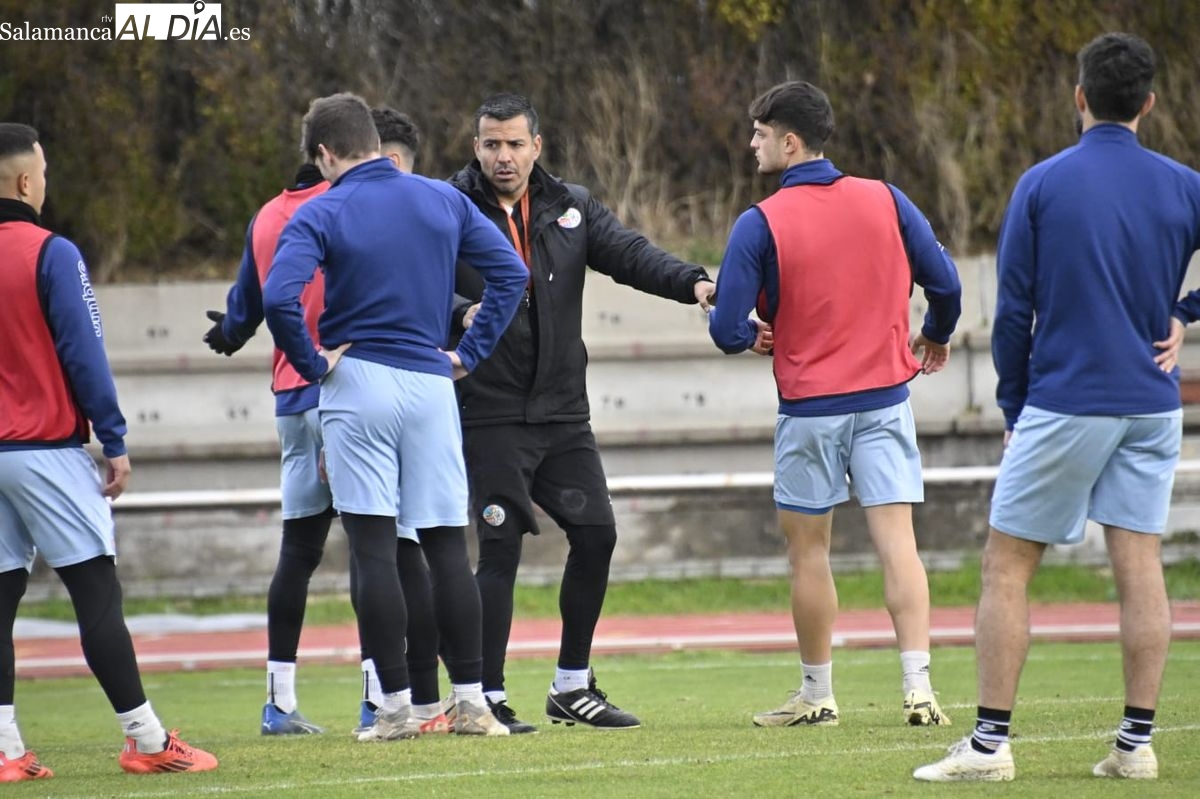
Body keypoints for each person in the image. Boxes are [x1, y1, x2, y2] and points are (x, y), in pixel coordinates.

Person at [915, 32, 1200, 782]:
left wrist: (1014, 406)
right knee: (1139, 560)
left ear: (1079, 97)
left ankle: (987, 746)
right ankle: (1136, 745)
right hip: (1151, 401)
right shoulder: (1185, 184)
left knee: (1007, 564)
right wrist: (1188, 311)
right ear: (1149, 103)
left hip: (1068, 398)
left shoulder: (1041, 183)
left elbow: (1014, 312)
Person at [263, 93, 528, 742]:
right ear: (378, 144)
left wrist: (312, 361)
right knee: (444, 544)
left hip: (360, 380)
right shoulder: (438, 196)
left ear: (327, 154)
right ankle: (471, 703)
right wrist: (469, 352)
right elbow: (511, 274)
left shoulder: (325, 207)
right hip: (431, 382)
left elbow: (278, 294)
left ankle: (395, 709)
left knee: (376, 548)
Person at [448, 92, 715, 733]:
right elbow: (416, 281)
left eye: (514, 143)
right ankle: (484, 696)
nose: (503, 156)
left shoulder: (571, 205)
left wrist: (696, 283)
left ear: (537, 146)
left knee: (597, 535)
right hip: (490, 410)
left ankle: (572, 685)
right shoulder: (449, 208)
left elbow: (631, 255)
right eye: (491, 143)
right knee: (501, 546)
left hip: (563, 412)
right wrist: (459, 312)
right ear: (475, 146)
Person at [708, 81, 961, 730]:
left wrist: (754, 331)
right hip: (884, 402)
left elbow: (727, 329)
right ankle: (919, 688)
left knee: (810, 553)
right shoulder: (887, 198)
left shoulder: (758, 221)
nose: (752, 144)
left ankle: (817, 693)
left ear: (789, 142)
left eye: (759, 134)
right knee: (898, 544)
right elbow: (947, 283)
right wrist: (934, 332)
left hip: (811, 410)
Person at [203, 107, 453, 736]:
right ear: (336, 157)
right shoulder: (352, 207)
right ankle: (386, 694)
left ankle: (280, 701)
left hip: (290, 395)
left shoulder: (267, 215)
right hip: (347, 383)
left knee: (299, 551)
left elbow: (248, 305)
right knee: (385, 549)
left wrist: (229, 336)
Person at [0, 123, 218, 779]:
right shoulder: (51, 252)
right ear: (25, 181)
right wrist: (114, 439)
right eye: (43, 169)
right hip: (45, 447)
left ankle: (5, 747)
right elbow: (83, 353)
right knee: (96, 592)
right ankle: (146, 738)